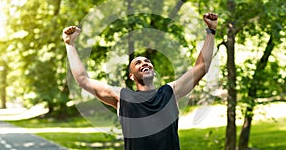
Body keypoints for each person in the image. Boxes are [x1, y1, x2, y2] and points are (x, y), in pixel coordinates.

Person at [63, 12, 218, 150]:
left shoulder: (170, 92)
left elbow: (202, 67)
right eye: (137, 63)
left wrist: (211, 31)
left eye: (147, 61)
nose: (144, 63)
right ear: (131, 76)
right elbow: (83, 80)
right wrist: (70, 44)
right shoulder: (121, 97)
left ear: (153, 70)